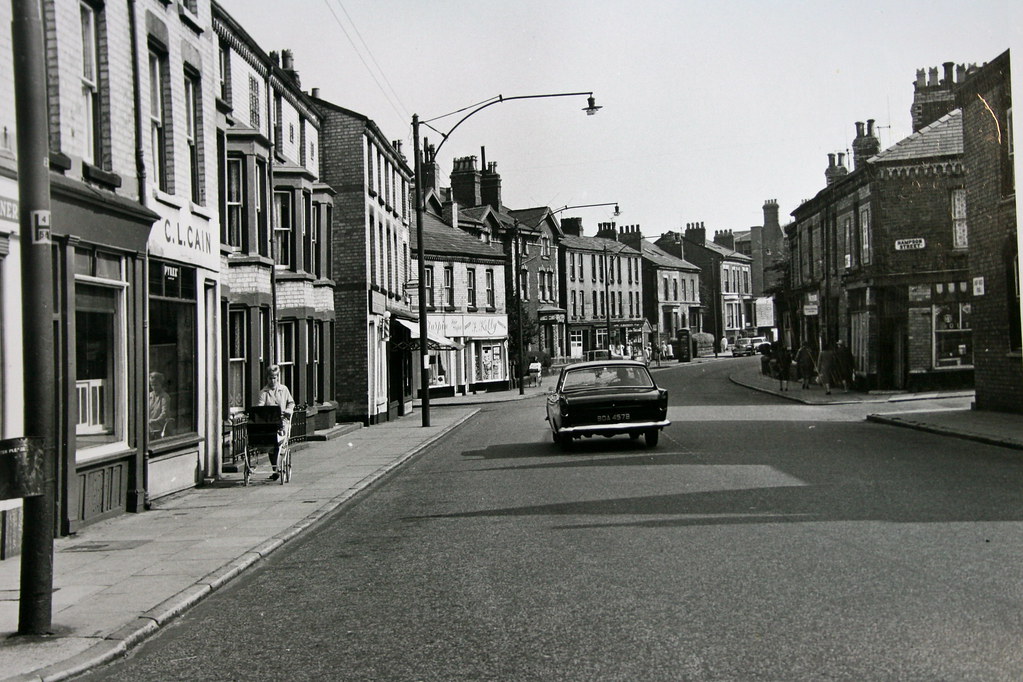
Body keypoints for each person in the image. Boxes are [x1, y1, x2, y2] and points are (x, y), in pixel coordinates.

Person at [257, 364, 295, 480]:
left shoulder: (284, 389)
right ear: (267, 378)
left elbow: (291, 402)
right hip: (270, 423)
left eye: (274, 377)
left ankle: (278, 468)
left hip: (282, 422)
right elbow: (260, 407)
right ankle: (275, 469)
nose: (272, 380)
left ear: (278, 377)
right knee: (271, 445)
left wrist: (288, 410)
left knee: (280, 444)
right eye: (270, 378)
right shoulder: (263, 392)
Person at [148, 371, 171, 438]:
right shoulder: (149, 396)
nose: (154, 387)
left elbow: (164, 413)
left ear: (161, 384)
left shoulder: (164, 396)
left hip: (160, 428)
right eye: (152, 385)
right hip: (149, 428)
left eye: (156, 385)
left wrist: (155, 420)